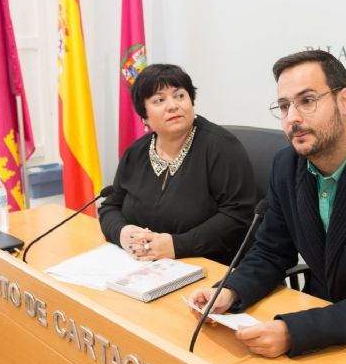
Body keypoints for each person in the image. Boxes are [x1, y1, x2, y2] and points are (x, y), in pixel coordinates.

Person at [188, 50, 346, 357]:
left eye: (307, 101)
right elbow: (272, 250)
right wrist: (232, 290)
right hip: (327, 318)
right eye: (284, 106)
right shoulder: (286, 165)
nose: (293, 118)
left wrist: (292, 332)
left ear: (343, 101)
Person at [99, 64, 256, 266]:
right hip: (144, 266)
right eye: (159, 100)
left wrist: (176, 245)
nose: (173, 105)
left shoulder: (222, 147)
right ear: (144, 116)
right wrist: (123, 233)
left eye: (180, 95)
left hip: (210, 267)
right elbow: (111, 205)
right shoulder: (136, 153)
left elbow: (237, 217)